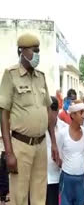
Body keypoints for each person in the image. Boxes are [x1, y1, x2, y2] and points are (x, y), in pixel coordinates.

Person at [0, 33, 59, 205]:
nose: (37, 55)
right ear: (22, 51)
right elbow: (3, 114)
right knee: (19, 197)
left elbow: (48, 110)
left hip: (41, 145)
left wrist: (53, 143)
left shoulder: (41, 77)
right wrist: (9, 153)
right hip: (20, 146)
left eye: (39, 50)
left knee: (40, 196)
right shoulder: (10, 75)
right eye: (34, 51)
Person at [58, 100, 84, 205]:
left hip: (80, 179)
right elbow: (58, 155)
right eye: (81, 113)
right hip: (66, 178)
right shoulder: (63, 134)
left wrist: (83, 171)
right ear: (72, 115)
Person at [46, 97, 67, 205]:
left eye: (50, 111)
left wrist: (61, 162)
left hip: (56, 179)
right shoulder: (38, 129)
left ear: (56, 111)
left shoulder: (65, 129)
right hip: (39, 179)